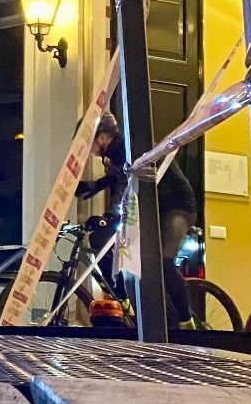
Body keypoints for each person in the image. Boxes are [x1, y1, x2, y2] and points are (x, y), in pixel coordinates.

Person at [75, 111, 198, 325]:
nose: (89, 149)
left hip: (177, 206)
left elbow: (127, 184)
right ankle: (141, 309)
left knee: (163, 263)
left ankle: (187, 321)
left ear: (102, 137)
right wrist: (94, 187)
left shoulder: (127, 148)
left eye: (89, 142)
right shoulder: (116, 152)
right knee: (138, 262)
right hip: (154, 209)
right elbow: (119, 175)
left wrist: (110, 217)